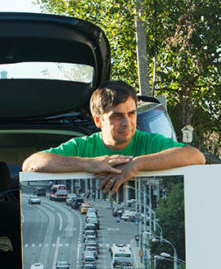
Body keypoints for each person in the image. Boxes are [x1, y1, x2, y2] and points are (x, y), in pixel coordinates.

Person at [22, 80, 205, 194]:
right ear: (98, 121)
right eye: (117, 116)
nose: (127, 122)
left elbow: (196, 156)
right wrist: (87, 164)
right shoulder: (83, 147)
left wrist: (137, 164)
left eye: (131, 114)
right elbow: (31, 164)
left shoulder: (149, 142)